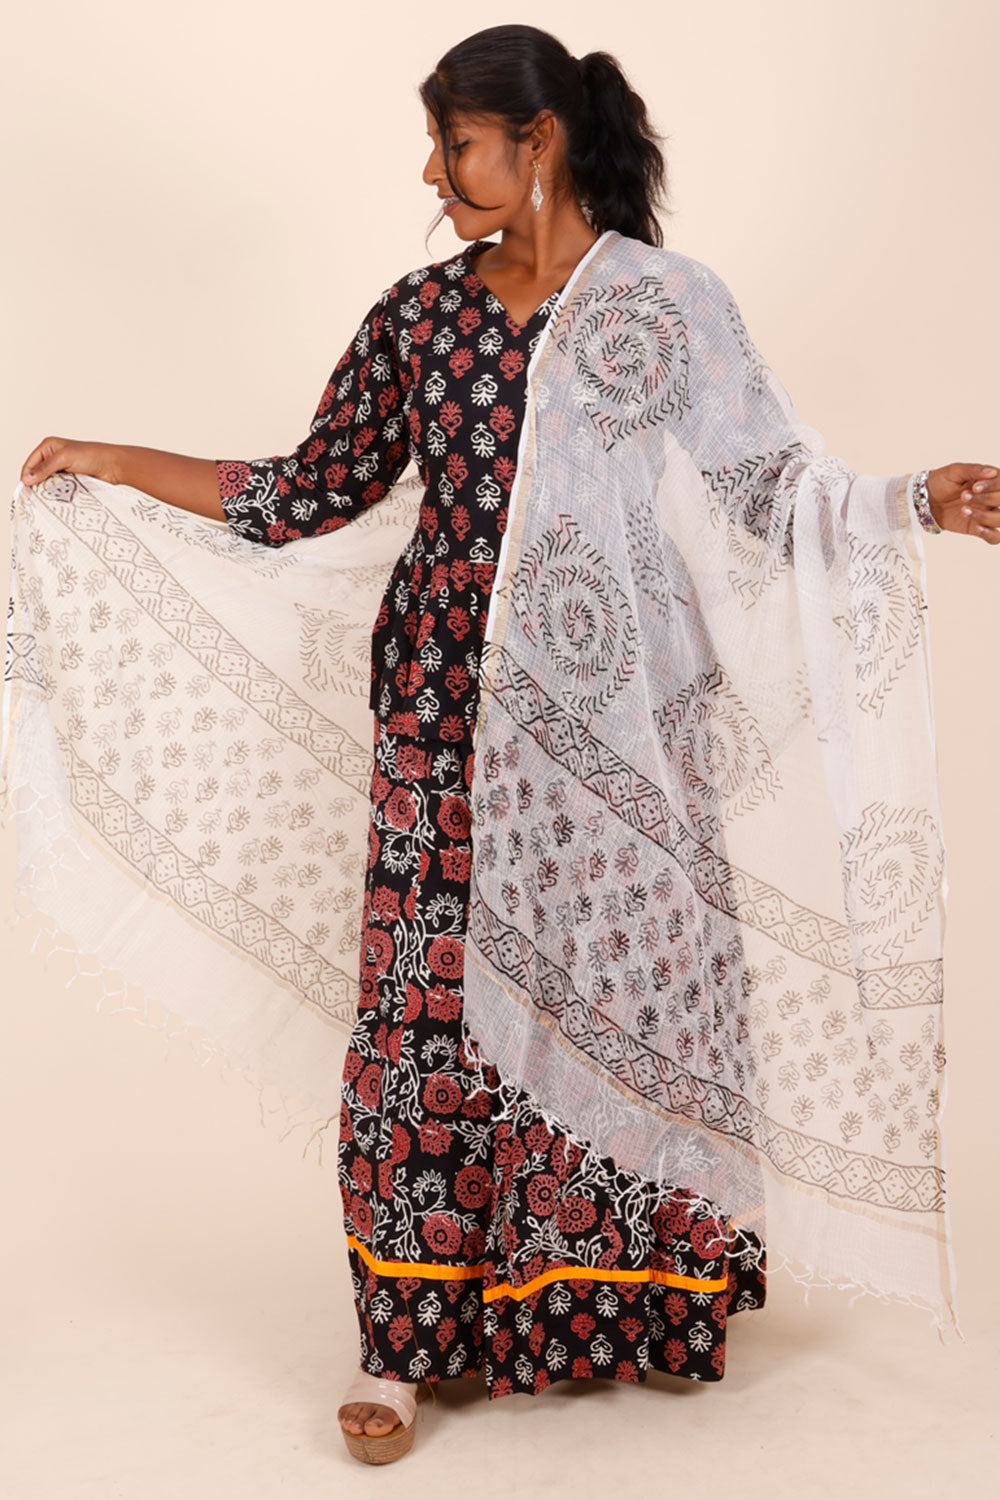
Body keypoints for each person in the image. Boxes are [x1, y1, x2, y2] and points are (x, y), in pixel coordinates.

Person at [17, 22, 995, 1469]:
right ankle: (403, 1336)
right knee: (422, 1021)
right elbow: (308, 488)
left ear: (537, 141)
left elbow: (769, 491)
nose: (433, 171)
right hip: (440, 719)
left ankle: (610, 1302)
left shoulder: (666, 305)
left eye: (455, 141)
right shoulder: (419, 319)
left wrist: (914, 500)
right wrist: (115, 461)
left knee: (619, 996)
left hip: (613, 734)